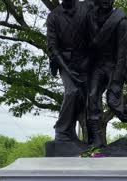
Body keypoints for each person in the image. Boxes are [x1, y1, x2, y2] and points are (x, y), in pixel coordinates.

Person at [85, 0, 127, 147]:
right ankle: (97, 139)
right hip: (98, 65)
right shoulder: (91, 16)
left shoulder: (120, 21)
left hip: (114, 65)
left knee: (113, 101)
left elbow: (122, 53)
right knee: (92, 97)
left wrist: (117, 81)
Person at [46, 0, 92, 142]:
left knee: (86, 99)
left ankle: (70, 131)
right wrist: (67, 70)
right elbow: (53, 47)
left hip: (87, 60)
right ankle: (61, 130)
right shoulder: (53, 16)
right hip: (65, 62)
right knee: (72, 92)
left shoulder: (87, 6)